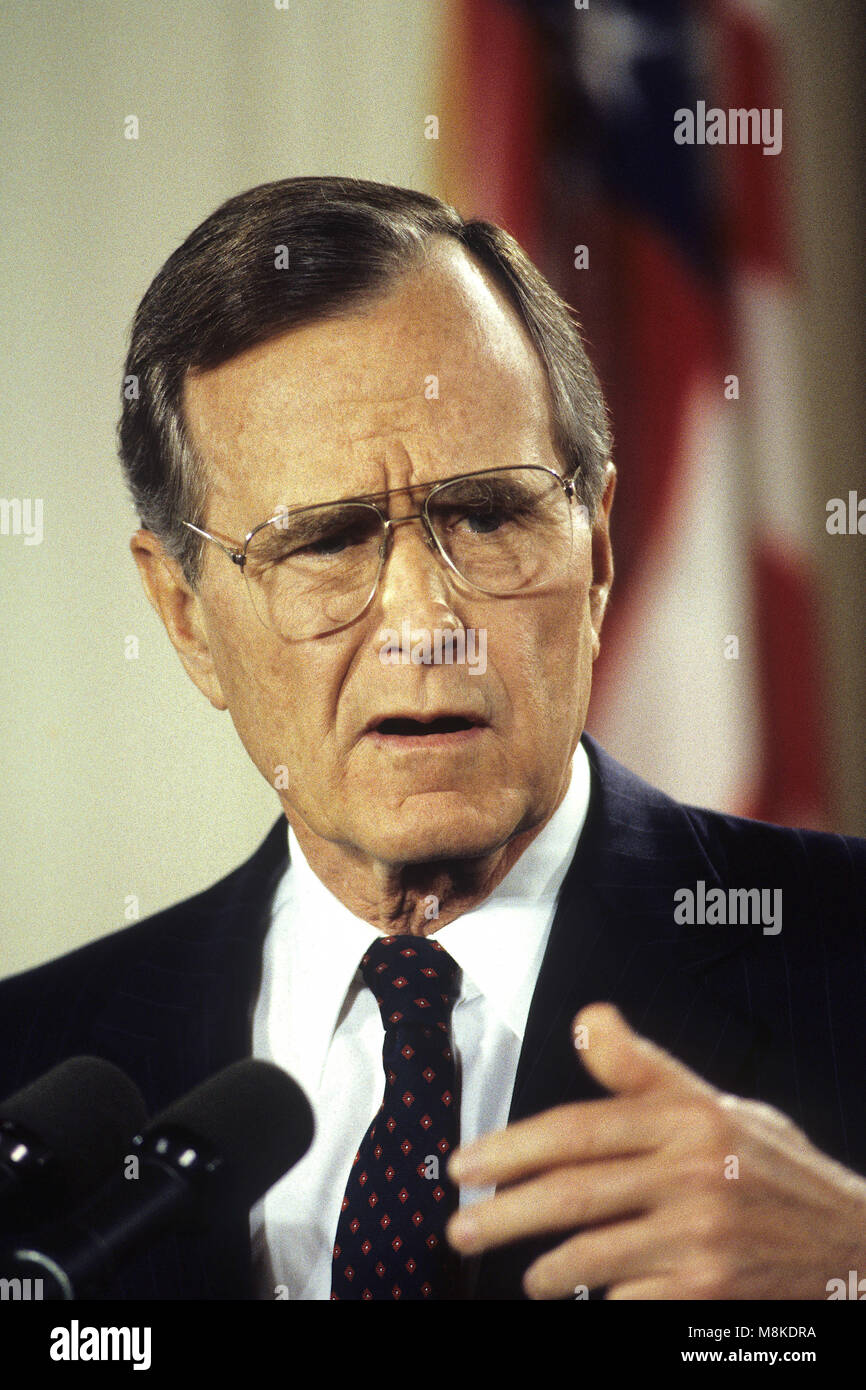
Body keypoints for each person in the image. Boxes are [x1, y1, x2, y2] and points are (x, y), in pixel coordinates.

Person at [1, 176, 864, 1302]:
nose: (425, 628)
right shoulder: (33, 1060)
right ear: (185, 617)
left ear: (596, 555)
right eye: (323, 541)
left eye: (490, 515)